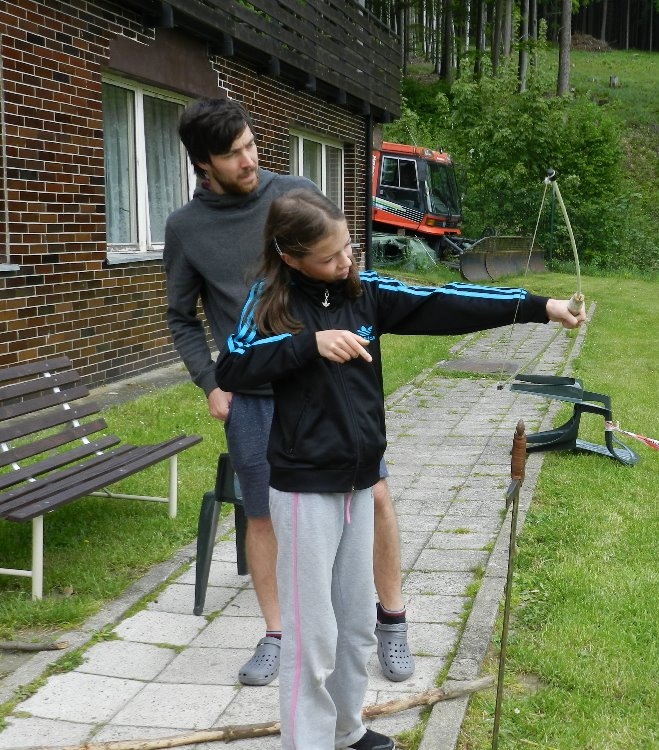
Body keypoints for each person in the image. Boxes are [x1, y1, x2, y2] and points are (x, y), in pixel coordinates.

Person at [214, 189, 585, 750]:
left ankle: (346, 729)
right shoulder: (271, 299)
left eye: (349, 249)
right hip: (303, 490)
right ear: (291, 257)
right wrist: (308, 344)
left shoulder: (365, 291)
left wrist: (539, 306)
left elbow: (445, 302)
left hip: (361, 482)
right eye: (331, 257)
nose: (346, 264)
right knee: (311, 637)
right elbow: (233, 366)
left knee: (358, 623)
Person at [164, 98, 413, 687]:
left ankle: (392, 619)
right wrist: (210, 383)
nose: (250, 160)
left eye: (251, 145)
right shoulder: (185, 229)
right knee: (261, 515)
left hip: (323, 387)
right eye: (234, 154)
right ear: (204, 162)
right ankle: (278, 633)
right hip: (251, 395)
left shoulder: (294, 192)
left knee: (373, 498)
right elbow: (180, 316)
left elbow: (341, 265)